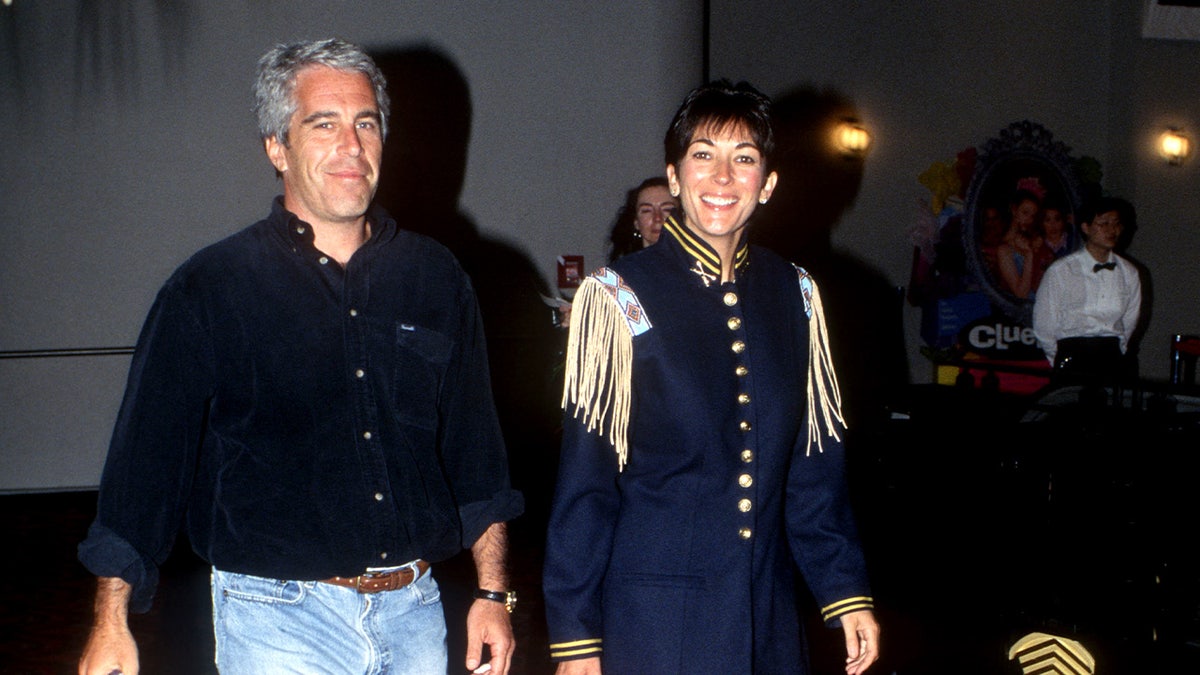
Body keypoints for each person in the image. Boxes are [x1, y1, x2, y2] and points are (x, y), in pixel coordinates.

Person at [76, 38, 523, 675]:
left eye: (365, 123)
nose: (352, 145)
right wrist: (111, 620)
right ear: (276, 148)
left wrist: (491, 593)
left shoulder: (435, 277)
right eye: (324, 124)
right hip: (276, 617)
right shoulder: (209, 288)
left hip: (416, 612)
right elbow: (144, 466)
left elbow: (477, 455)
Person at [542, 80, 880, 674]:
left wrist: (843, 591)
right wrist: (576, 638)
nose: (722, 178)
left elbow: (812, 474)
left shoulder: (795, 294)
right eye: (703, 155)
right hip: (653, 623)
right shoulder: (617, 297)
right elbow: (586, 488)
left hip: (766, 617)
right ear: (674, 177)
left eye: (743, 159)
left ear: (768, 184)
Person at [1032, 196, 1142, 384]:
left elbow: (1130, 320)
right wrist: (1060, 360)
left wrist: (1118, 351)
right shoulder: (1062, 270)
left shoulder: (1129, 272)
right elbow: (1044, 324)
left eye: (1116, 224)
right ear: (1086, 227)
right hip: (1073, 355)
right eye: (1103, 223)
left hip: (1112, 357)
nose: (1111, 230)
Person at [606, 176, 680, 263]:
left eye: (667, 209)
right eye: (646, 211)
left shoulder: (697, 268)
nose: (657, 218)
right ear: (636, 222)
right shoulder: (622, 272)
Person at [995, 189, 1044, 299]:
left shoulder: (1031, 240)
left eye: (1032, 216)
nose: (1029, 220)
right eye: (1025, 213)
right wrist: (1029, 254)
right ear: (1014, 210)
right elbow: (1021, 294)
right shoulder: (1004, 249)